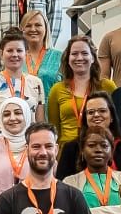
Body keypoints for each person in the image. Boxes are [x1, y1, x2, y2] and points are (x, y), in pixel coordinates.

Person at [48, 36, 115, 171]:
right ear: (68, 59)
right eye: (74, 54)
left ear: (93, 58)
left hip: (100, 152)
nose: (79, 58)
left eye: (84, 53)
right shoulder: (57, 90)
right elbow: (54, 129)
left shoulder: (107, 86)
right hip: (66, 155)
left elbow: (115, 123)